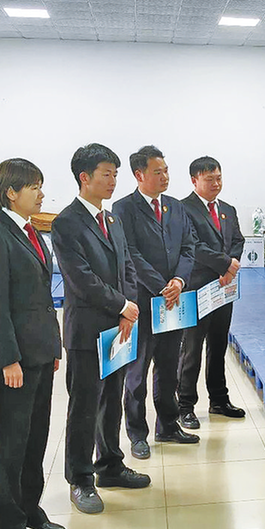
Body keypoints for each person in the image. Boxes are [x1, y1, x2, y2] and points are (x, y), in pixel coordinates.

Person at [51, 143, 150, 515]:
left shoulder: (112, 220)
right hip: (87, 332)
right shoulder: (66, 223)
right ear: (84, 177)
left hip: (118, 329)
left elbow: (127, 267)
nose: (113, 181)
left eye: (115, 174)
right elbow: (81, 280)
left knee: (111, 402)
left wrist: (128, 309)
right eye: (106, 174)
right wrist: (122, 305)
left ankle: (110, 465)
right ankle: (80, 479)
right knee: (84, 408)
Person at [0, 159, 65, 529]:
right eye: (34, 187)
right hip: (16, 360)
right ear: (11, 192)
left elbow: (42, 298)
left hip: (40, 353)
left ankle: (31, 509)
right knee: (11, 442)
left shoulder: (33, 232)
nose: (41, 194)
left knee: (36, 436)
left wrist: (53, 346)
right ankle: (8, 523)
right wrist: (9, 359)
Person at [112, 146, 199, 460]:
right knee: (137, 372)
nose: (165, 177)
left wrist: (179, 281)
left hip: (173, 302)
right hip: (143, 303)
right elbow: (130, 253)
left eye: (166, 171)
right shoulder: (123, 209)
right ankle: (137, 434)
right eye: (157, 172)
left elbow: (189, 246)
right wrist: (162, 286)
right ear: (139, 175)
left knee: (168, 366)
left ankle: (168, 425)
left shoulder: (175, 207)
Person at [177, 156, 245, 429]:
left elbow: (237, 240)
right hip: (197, 288)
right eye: (209, 179)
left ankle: (219, 399)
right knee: (191, 349)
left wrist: (231, 266)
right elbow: (192, 246)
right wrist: (225, 264)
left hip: (223, 289)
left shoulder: (227, 209)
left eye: (218, 178)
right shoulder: (183, 209)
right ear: (194, 180)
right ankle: (185, 406)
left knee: (218, 346)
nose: (216, 183)